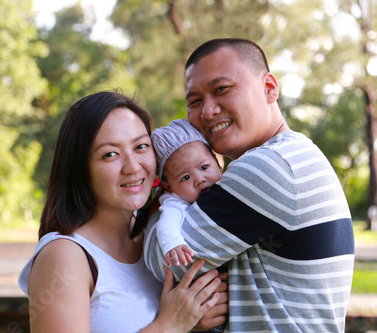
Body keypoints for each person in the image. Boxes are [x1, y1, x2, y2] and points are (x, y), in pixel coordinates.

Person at [144, 38, 355, 332]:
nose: (207, 111)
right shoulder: (292, 154)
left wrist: (166, 199)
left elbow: (164, 262)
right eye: (194, 101)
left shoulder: (268, 167)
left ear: (269, 88)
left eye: (221, 90)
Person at [18, 91, 226, 333]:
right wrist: (170, 325)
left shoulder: (159, 230)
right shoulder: (65, 255)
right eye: (110, 154)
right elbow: (170, 324)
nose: (133, 167)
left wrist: (194, 320)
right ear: (80, 168)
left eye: (141, 146)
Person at [150, 118, 223, 267]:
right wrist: (173, 244)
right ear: (168, 186)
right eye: (186, 177)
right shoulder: (176, 202)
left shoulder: (230, 182)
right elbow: (167, 223)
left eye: (204, 167)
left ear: (216, 162)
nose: (199, 179)